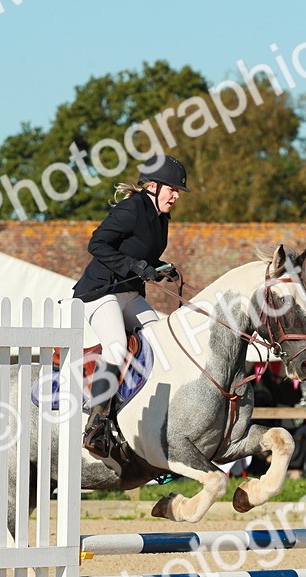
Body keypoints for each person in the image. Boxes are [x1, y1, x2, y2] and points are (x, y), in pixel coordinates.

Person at [72, 154, 189, 456]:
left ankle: (149, 426)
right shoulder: (131, 208)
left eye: (177, 191)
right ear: (153, 186)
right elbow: (97, 244)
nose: (175, 195)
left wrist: (160, 268)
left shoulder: (161, 217)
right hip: (101, 292)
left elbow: (143, 256)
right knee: (117, 349)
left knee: (160, 342)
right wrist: (138, 267)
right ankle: (96, 426)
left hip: (130, 294)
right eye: (172, 189)